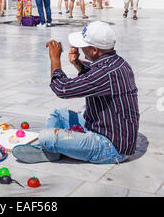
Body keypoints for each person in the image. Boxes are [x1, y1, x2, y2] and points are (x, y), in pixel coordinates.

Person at [12, 21, 139, 165]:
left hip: (112, 147)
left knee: (46, 137)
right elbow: (94, 76)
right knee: (58, 114)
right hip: (104, 126)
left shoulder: (105, 73)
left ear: (95, 50)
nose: (80, 48)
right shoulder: (117, 63)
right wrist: (77, 63)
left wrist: (55, 59)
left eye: (83, 45)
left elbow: (62, 89)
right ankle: (52, 150)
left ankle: (49, 148)